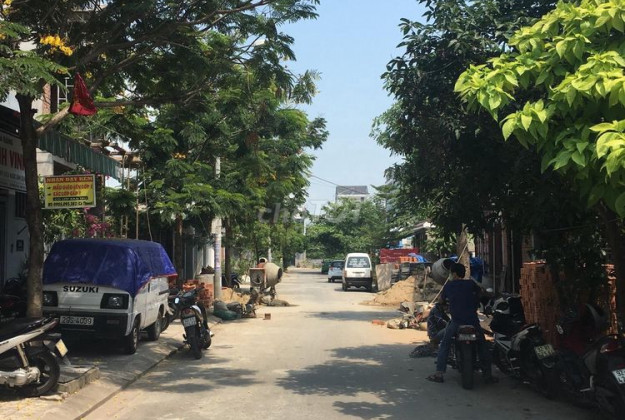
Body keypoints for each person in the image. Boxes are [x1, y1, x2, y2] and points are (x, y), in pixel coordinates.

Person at [426, 262, 497, 384]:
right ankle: (488, 375)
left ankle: (439, 374)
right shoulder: (471, 284)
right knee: (483, 346)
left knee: (445, 345)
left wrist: (445, 302)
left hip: (456, 322)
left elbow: (441, 300)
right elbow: (482, 294)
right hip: (473, 321)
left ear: (454, 274)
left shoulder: (449, 285)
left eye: (451, 273)